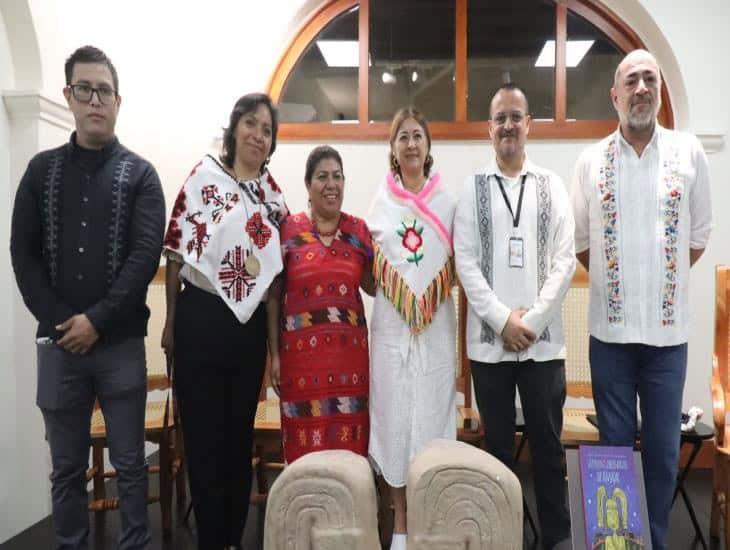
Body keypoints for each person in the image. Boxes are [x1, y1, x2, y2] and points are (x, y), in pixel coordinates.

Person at [10, 45, 165, 550]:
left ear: (118, 101)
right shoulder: (39, 172)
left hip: (119, 344)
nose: (94, 100)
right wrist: (64, 323)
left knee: (131, 466)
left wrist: (96, 321)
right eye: (84, 89)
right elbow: (22, 255)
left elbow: (144, 257)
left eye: (103, 91)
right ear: (68, 97)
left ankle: (135, 544)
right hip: (59, 348)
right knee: (66, 469)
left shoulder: (141, 175)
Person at [571, 49, 712, 550]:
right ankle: (616, 546)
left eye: (650, 78)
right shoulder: (590, 161)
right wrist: (622, 287)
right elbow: (583, 241)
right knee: (613, 452)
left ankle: (653, 540)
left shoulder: (688, 153)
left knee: (661, 455)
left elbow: (697, 235)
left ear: (660, 91)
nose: (641, 88)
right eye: (631, 81)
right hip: (608, 341)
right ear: (615, 95)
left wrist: (660, 285)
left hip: (667, 341)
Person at [161, 93, 287, 550]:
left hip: (246, 329)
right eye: (251, 124)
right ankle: (211, 540)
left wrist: (274, 350)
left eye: (267, 130)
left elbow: (273, 283)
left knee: (236, 439)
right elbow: (176, 252)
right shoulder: (204, 179)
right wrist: (171, 323)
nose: (258, 134)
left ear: (272, 143)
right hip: (197, 316)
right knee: (201, 436)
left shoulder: (273, 199)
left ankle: (232, 537)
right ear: (235, 128)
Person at [453, 82, 575, 549]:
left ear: (529, 125)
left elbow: (564, 261)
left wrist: (533, 321)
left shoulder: (552, 186)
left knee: (548, 447)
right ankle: (502, 538)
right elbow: (466, 262)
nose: (508, 125)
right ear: (489, 129)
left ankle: (557, 538)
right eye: (500, 117)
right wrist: (505, 320)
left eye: (515, 116)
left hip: (543, 346)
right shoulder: (472, 188)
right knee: (499, 451)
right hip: (490, 348)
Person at [368, 107, 457, 550]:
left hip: (435, 329)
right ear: (392, 148)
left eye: (417, 135)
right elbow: (373, 267)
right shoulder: (380, 203)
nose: (410, 144)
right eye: (402, 136)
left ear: (428, 145)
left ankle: (429, 522)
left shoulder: (448, 202)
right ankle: (399, 521)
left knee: (430, 420)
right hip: (390, 329)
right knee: (395, 420)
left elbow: (457, 265)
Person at [267, 145, 374, 464]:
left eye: (337, 176)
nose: (331, 184)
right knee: (304, 461)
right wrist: (273, 356)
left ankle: (351, 515)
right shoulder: (288, 230)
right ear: (308, 185)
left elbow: (376, 286)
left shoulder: (359, 232)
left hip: (349, 367)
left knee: (350, 458)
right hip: (300, 367)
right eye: (322, 177)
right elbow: (274, 296)